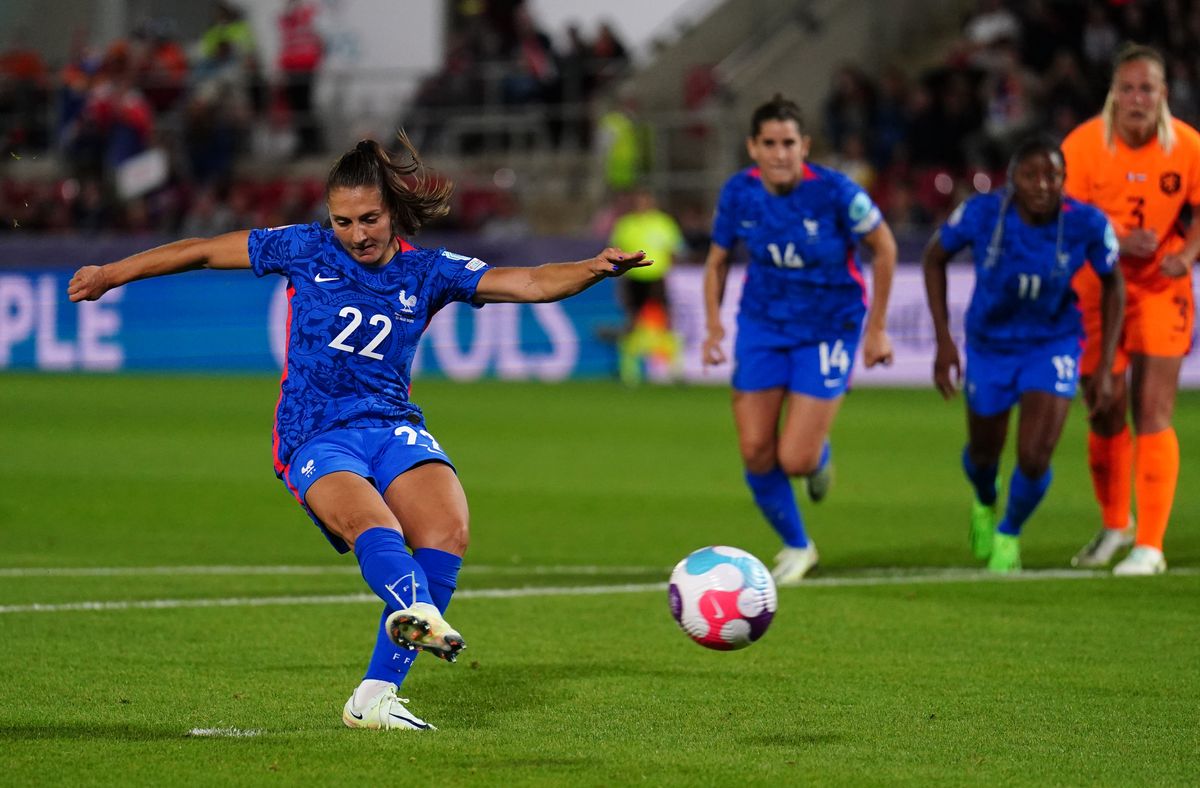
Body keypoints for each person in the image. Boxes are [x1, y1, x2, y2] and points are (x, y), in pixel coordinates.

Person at [67, 134, 649, 730]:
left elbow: (527, 283)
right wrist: (114, 273)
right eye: (343, 220)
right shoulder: (304, 247)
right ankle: (417, 611)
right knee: (377, 526)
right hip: (316, 431)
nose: (357, 233)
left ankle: (374, 697)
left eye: (369, 219)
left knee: (447, 530)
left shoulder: (428, 271)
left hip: (391, 424)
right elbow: (202, 252)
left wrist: (592, 268)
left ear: (393, 212)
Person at [701, 94, 897, 584]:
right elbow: (718, 259)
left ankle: (819, 457)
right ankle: (798, 545)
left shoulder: (836, 192)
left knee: (796, 458)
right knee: (754, 451)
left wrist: (876, 329)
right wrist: (713, 325)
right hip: (763, 326)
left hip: (829, 327)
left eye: (788, 142)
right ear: (753, 147)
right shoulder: (738, 193)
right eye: (769, 143)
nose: (779, 153)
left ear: (804, 145)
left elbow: (885, 246)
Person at [922, 136, 1124, 573]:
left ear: (1064, 180)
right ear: (1012, 180)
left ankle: (1009, 532)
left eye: (1052, 175)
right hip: (990, 346)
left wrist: (1105, 365)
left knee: (1035, 454)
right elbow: (934, 257)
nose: (1042, 184)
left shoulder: (1086, 222)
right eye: (1031, 175)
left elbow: (1114, 282)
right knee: (983, 454)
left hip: (1053, 343)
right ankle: (984, 499)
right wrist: (944, 340)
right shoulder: (982, 213)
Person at [1060, 43, 1200, 575]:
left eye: (1147, 88)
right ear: (1113, 94)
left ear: (1163, 94)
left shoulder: (1186, 146)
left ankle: (1151, 544)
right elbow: (1063, 217)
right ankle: (1115, 525)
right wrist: (1117, 236)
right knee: (1104, 405)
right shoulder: (1083, 146)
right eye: (1127, 88)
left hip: (1161, 288)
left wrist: (1185, 254)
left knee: (1153, 410)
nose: (1137, 98)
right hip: (1096, 285)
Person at [608, 185, 685, 384]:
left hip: (656, 277)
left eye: (645, 200)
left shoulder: (663, 223)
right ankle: (628, 373)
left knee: (665, 322)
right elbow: (616, 252)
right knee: (633, 322)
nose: (642, 204)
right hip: (634, 278)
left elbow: (675, 249)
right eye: (638, 201)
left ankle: (675, 370)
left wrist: (670, 270)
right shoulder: (626, 224)